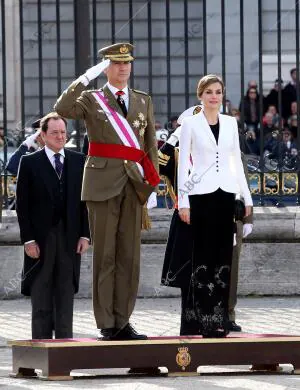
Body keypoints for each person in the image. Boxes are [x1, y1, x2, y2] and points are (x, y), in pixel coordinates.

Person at [54, 42, 159, 341]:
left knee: (129, 256)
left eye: (127, 63)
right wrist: (87, 76)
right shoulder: (91, 99)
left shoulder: (143, 101)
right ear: (106, 67)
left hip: (134, 183)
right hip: (102, 184)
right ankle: (107, 322)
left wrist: (151, 185)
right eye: (115, 63)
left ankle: (124, 320)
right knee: (106, 256)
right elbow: (61, 108)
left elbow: (149, 143)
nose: (123, 68)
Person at [178, 74, 253, 338]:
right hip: (200, 195)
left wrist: (247, 198)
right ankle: (204, 318)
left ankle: (220, 316)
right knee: (203, 257)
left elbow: (235, 162)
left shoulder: (231, 123)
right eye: (209, 92)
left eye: (218, 92)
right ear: (201, 95)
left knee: (223, 257)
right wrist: (183, 201)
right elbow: (183, 166)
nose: (214, 96)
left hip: (226, 194)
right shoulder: (190, 124)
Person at [16, 112, 90, 340]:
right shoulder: (29, 163)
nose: (60, 137)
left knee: (65, 296)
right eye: (55, 133)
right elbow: (22, 205)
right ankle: (41, 348)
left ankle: (64, 352)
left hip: (69, 238)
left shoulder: (79, 161)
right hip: (40, 241)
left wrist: (85, 235)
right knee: (41, 295)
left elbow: (84, 201)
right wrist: (28, 240)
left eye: (63, 132)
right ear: (43, 135)